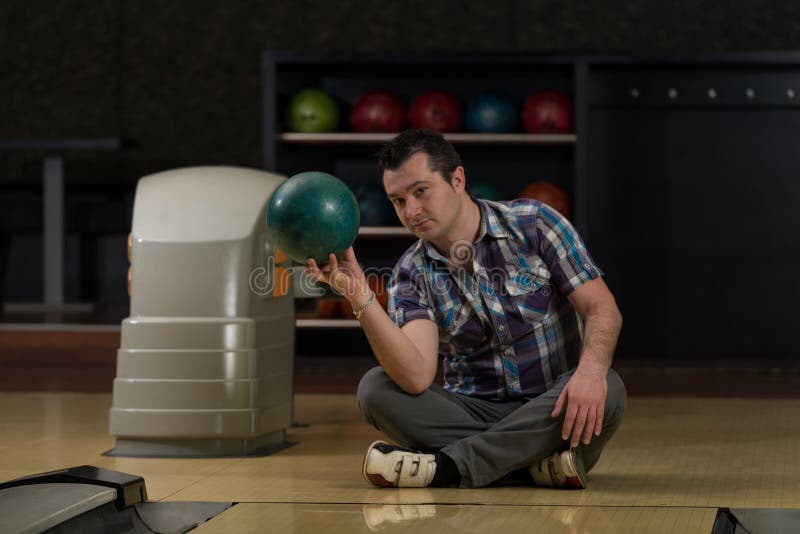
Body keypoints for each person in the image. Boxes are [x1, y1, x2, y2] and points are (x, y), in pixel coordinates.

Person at [305, 128, 627, 489]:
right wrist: (360, 297)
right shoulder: (410, 274)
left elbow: (603, 309)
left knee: (607, 385)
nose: (411, 211)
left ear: (457, 180)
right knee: (374, 390)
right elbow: (415, 376)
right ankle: (528, 464)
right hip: (474, 411)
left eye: (421, 191)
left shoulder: (535, 223)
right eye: (397, 201)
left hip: (552, 406)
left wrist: (590, 372)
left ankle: (450, 467)